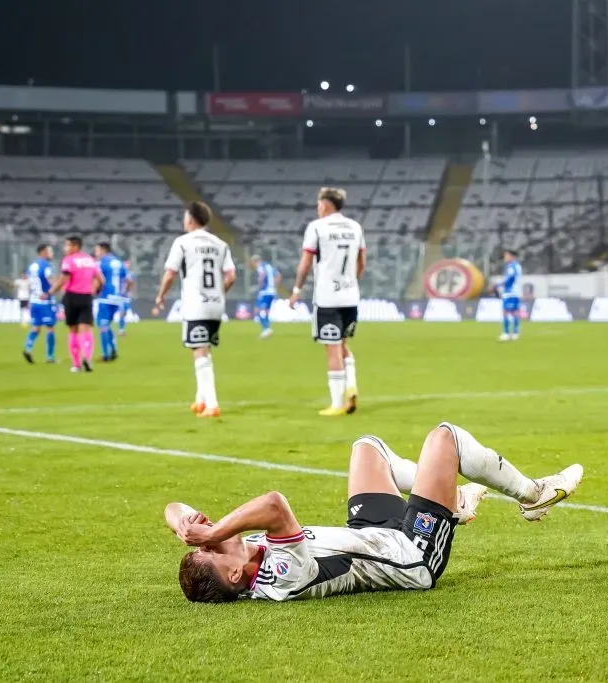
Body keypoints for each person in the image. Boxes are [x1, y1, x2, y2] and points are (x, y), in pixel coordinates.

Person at [167, 422, 584, 603]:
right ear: (234, 574)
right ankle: (532, 495)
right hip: (409, 556)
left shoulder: (240, 558)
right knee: (445, 439)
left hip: (369, 531)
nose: (216, 536)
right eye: (214, 547)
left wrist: (186, 526)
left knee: (368, 447)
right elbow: (275, 504)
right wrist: (212, 531)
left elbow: (174, 508)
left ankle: (449, 502)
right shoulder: (280, 579)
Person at [153, 201, 235, 419]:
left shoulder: (182, 243)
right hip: (216, 304)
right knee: (202, 347)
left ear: (190, 219)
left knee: (200, 352)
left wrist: (160, 296)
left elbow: (170, 273)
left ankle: (212, 404)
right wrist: (219, 292)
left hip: (196, 303)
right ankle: (200, 400)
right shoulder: (220, 244)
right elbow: (231, 276)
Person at [288, 188, 365, 416]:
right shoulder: (355, 227)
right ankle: (351, 385)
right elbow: (362, 262)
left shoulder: (317, 228)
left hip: (328, 299)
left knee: (332, 348)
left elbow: (305, 263)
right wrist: (350, 282)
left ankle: (337, 404)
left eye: (319, 204)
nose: (317, 208)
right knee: (341, 344)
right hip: (350, 296)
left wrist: (296, 289)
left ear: (325, 205)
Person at [49, 236, 103, 373]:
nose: (64, 248)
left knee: (73, 330)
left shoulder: (69, 260)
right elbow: (101, 279)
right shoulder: (90, 260)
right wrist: (95, 290)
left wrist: (51, 291)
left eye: (66, 245)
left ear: (75, 246)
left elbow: (64, 278)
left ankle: (76, 364)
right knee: (86, 329)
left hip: (71, 297)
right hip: (86, 297)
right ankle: (88, 358)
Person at [93, 242, 130, 362]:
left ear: (103, 251)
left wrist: (94, 291)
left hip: (106, 298)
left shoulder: (101, 263)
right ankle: (113, 349)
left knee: (102, 325)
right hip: (119, 298)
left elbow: (99, 280)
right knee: (106, 325)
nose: (96, 253)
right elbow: (129, 280)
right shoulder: (120, 263)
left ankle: (106, 355)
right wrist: (124, 293)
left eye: (97, 251)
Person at [23, 244, 58, 364]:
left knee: (36, 328)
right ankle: (50, 356)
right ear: (43, 252)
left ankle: (28, 348)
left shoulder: (32, 266)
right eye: (50, 251)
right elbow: (51, 281)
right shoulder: (46, 266)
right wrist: (54, 288)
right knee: (50, 328)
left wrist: (29, 300)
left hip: (34, 301)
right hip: (45, 301)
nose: (52, 253)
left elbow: (29, 284)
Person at [250, 254, 279, 339]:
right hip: (272, 292)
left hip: (265, 292)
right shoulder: (269, 266)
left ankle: (266, 329)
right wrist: (274, 286)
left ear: (256, 261)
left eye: (253, 263)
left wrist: (260, 283)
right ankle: (267, 328)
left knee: (259, 310)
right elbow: (278, 275)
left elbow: (262, 274)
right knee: (266, 311)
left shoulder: (261, 266)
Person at [499, 249, 523, 342]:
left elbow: (510, 279)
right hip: (515, 292)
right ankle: (515, 333)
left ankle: (506, 333)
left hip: (510, 292)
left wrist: (498, 285)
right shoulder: (516, 266)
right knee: (514, 312)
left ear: (511, 256)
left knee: (506, 311)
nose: (505, 258)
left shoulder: (512, 266)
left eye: (506, 256)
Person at [117, 260, 134, 337]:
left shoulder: (130, 274)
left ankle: (121, 329)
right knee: (122, 312)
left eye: (128, 264)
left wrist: (128, 291)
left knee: (124, 313)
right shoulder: (119, 274)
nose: (127, 266)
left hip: (127, 297)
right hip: (120, 296)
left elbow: (131, 284)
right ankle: (121, 330)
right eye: (126, 264)